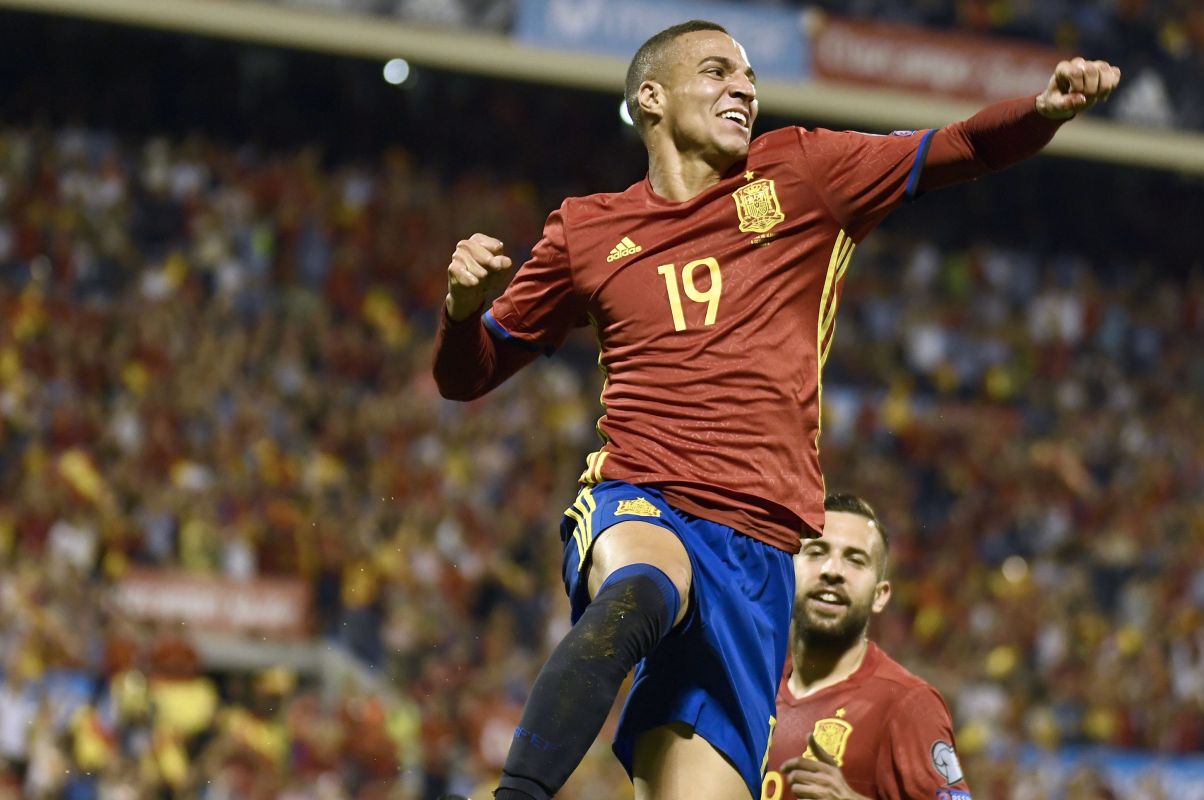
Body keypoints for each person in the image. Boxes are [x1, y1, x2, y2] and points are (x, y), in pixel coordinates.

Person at [432, 18, 1120, 800]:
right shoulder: (587, 230)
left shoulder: (803, 172)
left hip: (759, 555)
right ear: (651, 98)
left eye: (750, 76)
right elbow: (468, 376)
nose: (744, 88)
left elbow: (955, 148)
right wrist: (461, 310)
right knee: (644, 586)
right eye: (718, 72)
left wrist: (1043, 110)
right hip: (645, 498)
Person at [763, 494, 970, 800]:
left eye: (855, 560)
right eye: (817, 552)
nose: (832, 571)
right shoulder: (754, 686)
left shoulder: (906, 703)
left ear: (880, 595)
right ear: (788, 574)